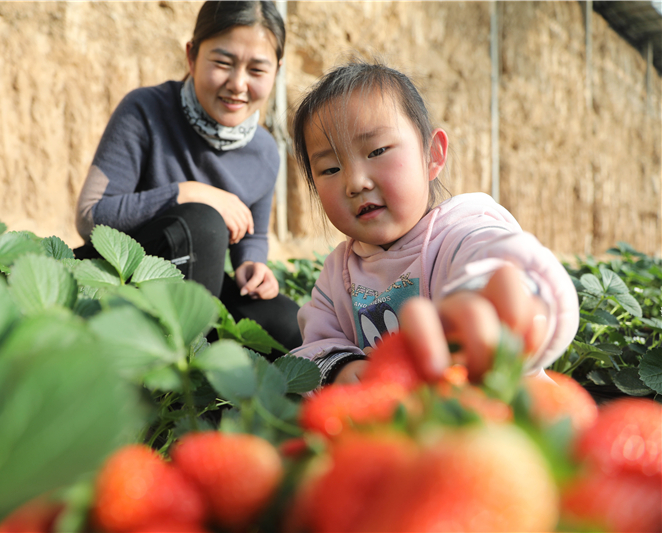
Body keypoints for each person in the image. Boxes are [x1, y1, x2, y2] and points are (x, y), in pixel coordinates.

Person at [289, 59, 580, 386]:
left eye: (377, 151)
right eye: (330, 169)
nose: (355, 182)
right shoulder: (337, 275)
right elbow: (313, 348)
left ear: (432, 155)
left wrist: (507, 305)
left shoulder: (460, 232)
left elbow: (506, 262)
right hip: (410, 428)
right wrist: (343, 369)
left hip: (503, 415)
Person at [74, 1, 301, 356]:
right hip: (124, 284)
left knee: (291, 324)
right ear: (192, 56)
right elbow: (90, 216)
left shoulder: (264, 151)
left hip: (194, 283)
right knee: (203, 223)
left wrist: (252, 265)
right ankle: (189, 383)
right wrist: (185, 193)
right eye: (223, 63)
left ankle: (214, 369)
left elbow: (251, 234)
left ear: (277, 71)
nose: (238, 84)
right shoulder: (145, 111)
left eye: (257, 69)